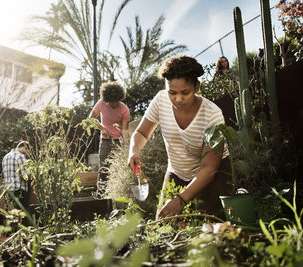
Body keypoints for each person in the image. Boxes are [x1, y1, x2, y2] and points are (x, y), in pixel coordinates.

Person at [127, 55, 232, 221]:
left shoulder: (212, 114)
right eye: (172, 92)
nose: (178, 99)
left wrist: (181, 199)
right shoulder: (161, 100)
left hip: (212, 176)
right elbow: (141, 133)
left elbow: (209, 166)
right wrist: (134, 150)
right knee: (162, 226)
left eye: (185, 92)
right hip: (177, 171)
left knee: (213, 228)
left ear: (197, 87)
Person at [89, 81, 130, 197]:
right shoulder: (101, 104)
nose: (113, 104)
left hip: (119, 142)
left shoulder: (124, 110)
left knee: (118, 169)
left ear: (120, 98)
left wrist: (126, 146)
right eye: (111, 102)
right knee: (103, 168)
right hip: (105, 141)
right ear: (106, 99)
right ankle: (100, 196)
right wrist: (101, 128)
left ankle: (116, 195)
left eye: (116, 101)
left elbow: (125, 130)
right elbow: (91, 118)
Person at [2, 140, 30, 209]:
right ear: (25, 147)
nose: (28, 153)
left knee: (11, 215)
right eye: (28, 150)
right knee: (20, 215)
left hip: (7, 191)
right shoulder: (20, 156)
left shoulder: (6, 157)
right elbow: (25, 176)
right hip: (18, 190)